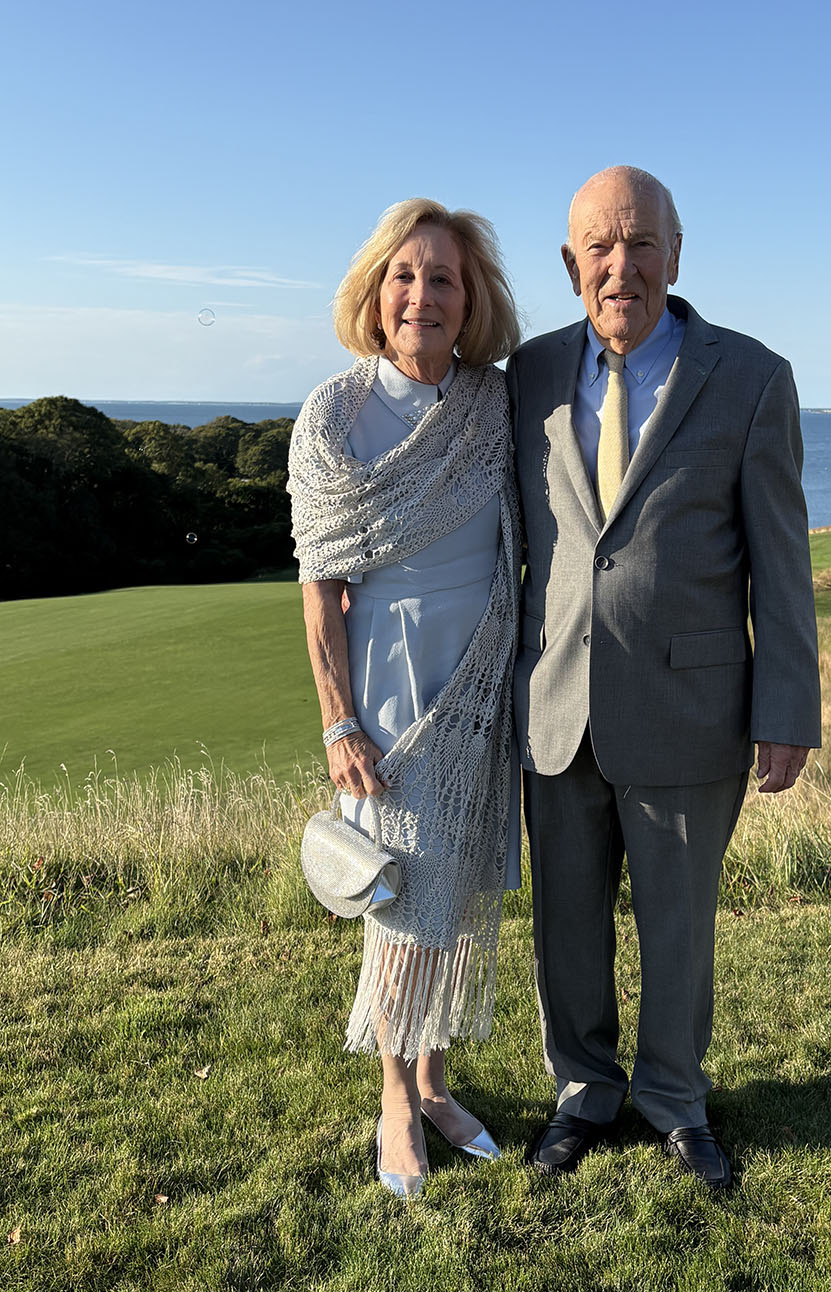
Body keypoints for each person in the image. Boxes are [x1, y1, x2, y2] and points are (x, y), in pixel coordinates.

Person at [507, 166, 821, 1190]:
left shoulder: (750, 377)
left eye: (640, 244)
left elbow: (779, 560)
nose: (620, 266)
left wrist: (786, 709)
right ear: (569, 265)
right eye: (598, 246)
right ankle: (583, 1090)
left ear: (674, 257)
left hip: (692, 706)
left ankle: (675, 1096)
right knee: (566, 920)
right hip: (553, 701)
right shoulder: (526, 376)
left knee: (678, 923)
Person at [288, 199, 522, 1198]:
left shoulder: (492, 402)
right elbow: (319, 585)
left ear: (471, 302)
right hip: (386, 692)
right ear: (375, 293)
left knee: (457, 891)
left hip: (483, 678)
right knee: (394, 896)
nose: (422, 295)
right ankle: (392, 1094)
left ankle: (434, 1082)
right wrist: (338, 717)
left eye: (444, 280)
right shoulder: (332, 412)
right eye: (405, 276)